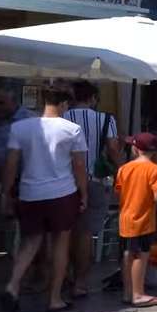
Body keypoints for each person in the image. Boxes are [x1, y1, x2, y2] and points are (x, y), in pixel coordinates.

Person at [0, 87, 88, 312]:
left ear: (42, 101)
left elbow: (10, 164)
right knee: (61, 242)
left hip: (30, 193)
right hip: (62, 192)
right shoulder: (72, 129)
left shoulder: (20, 128)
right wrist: (84, 192)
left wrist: (6, 193)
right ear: (64, 104)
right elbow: (79, 165)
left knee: (30, 242)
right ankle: (55, 298)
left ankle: (13, 284)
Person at [62, 81, 122, 295]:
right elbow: (113, 150)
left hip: (65, 181)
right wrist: (122, 171)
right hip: (95, 181)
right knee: (85, 233)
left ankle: (64, 276)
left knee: (65, 232)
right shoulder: (105, 119)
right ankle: (81, 282)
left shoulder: (63, 118)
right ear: (93, 98)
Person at [114, 132, 157, 308]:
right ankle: (138, 294)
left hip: (125, 219)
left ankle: (127, 293)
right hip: (143, 220)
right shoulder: (155, 170)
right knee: (140, 255)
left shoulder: (124, 168)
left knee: (127, 255)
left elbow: (118, 192)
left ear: (136, 149)